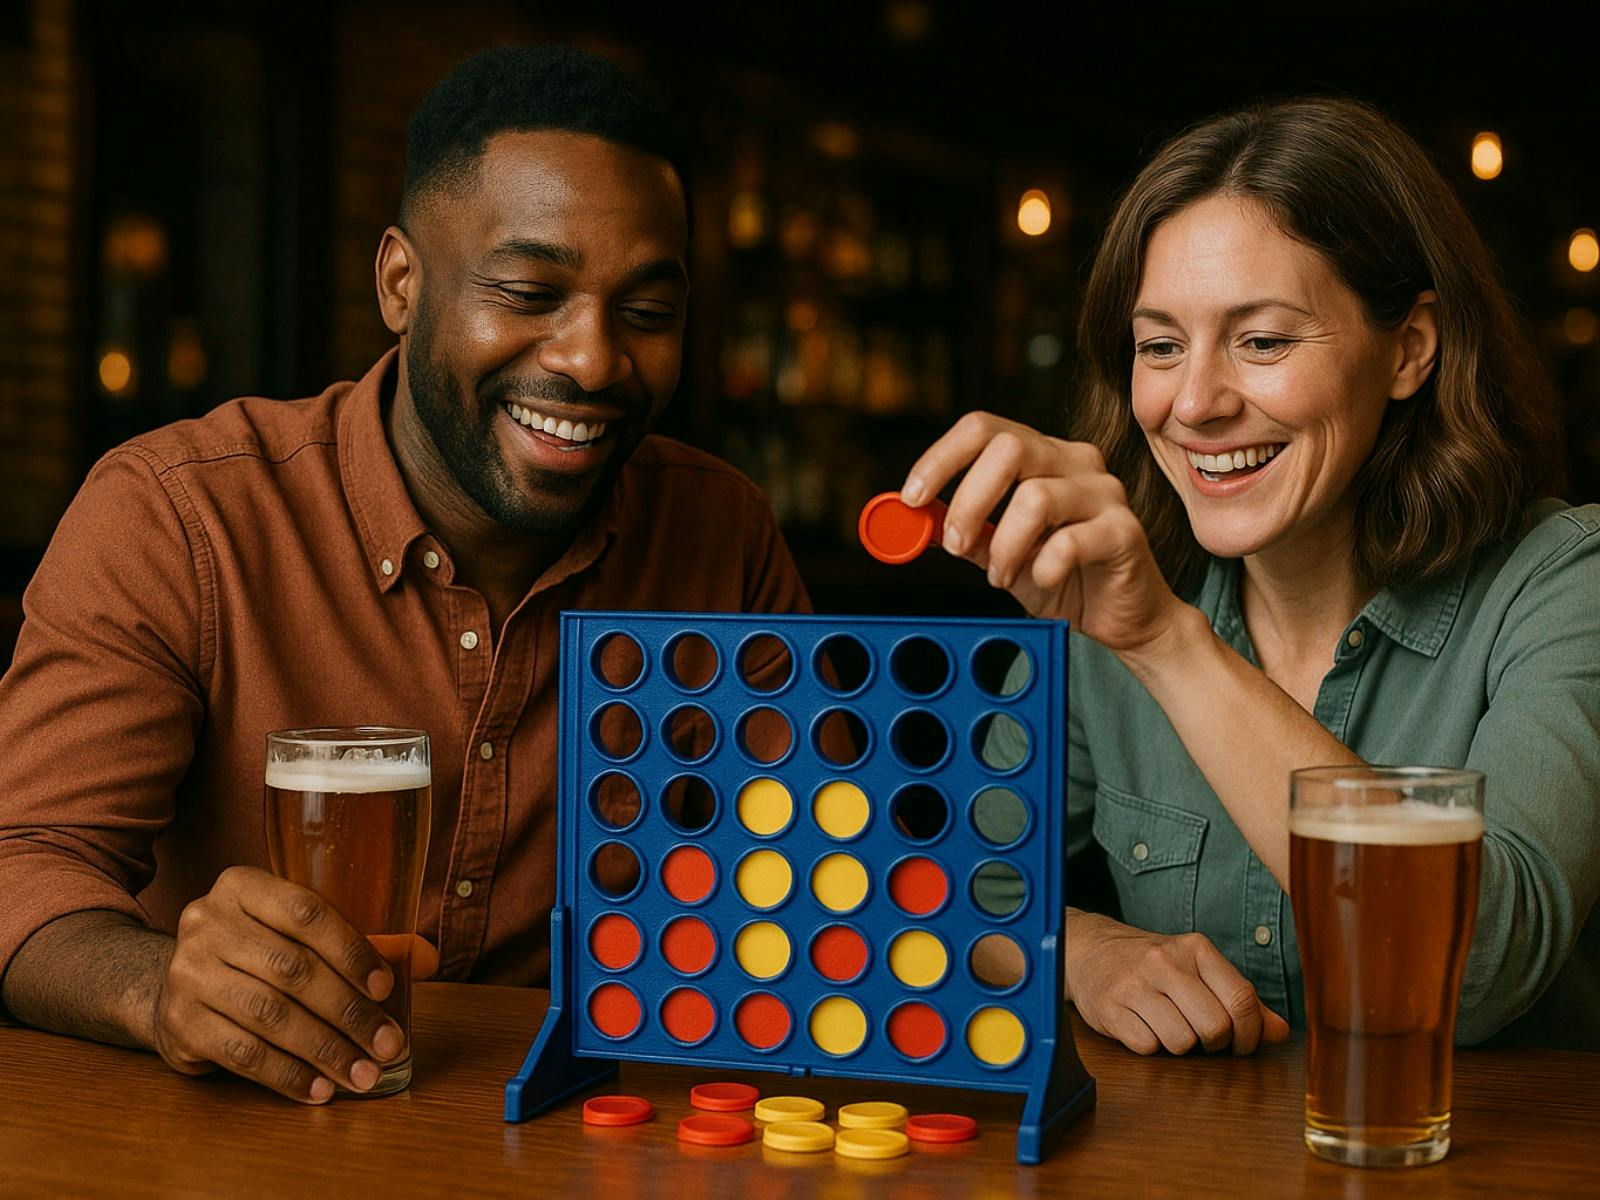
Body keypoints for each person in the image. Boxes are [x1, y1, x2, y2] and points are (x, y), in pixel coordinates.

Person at [0, 46, 810, 1102]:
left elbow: (819, 871)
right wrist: (161, 988)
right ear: (400, 283)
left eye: (647, 314)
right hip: (230, 1141)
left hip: (570, 1137)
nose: (595, 359)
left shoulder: (720, 530)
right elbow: (23, 861)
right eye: (530, 292)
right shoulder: (179, 513)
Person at [913, 98, 1600, 1055]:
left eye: (1263, 340)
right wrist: (1079, 952)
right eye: (1160, 346)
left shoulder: (1562, 580)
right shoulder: (1102, 605)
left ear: (1409, 348)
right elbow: (949, 894)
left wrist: (1164, 642)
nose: (1193, 404)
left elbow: (1474, 970)